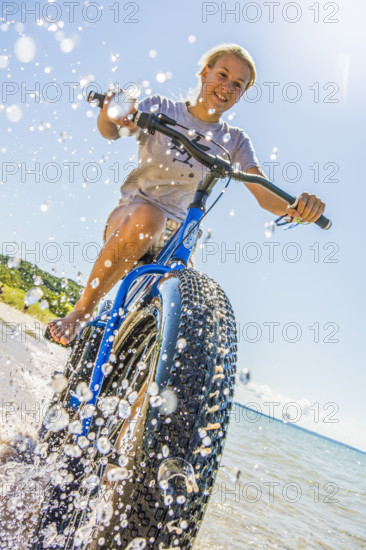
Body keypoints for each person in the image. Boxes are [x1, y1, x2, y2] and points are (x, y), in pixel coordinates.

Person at [48, 43, 325, 346]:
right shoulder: (162, 108)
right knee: (149, 218)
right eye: (222, 74)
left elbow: (260, 189)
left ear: (242, 94)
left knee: (189, 306)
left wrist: (297, 209)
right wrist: (111, 113)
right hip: (133, 215)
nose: (226, 87)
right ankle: (82, 311)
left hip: (179, 238)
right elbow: (112, 131)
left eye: (237, 84)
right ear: (205, 72)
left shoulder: (234, 140)